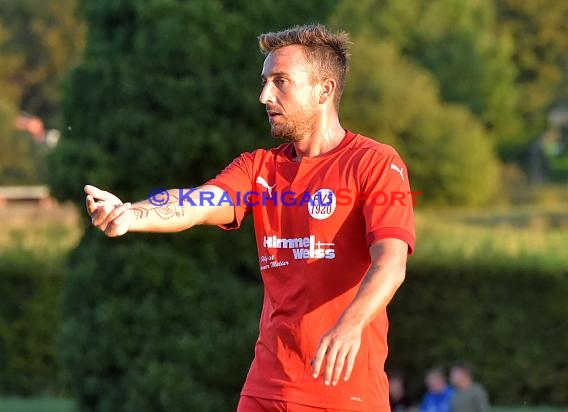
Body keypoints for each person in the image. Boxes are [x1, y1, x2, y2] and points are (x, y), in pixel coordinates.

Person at [85, 24, 415, 412]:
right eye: (264, 81)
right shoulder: (259, 168)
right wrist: (131, 214)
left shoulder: (374, 163)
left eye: (281, 82)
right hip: (266, 388)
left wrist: (350, 324)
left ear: (324, 90)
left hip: (345, 393)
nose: (264, 96)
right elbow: (198, 202)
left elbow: (391, 263)